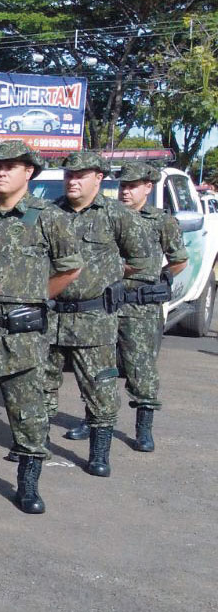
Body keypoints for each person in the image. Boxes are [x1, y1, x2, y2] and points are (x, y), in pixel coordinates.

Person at [0, 141, 81, 513]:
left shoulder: (47, 216)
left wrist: (36, 297)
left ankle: (28, 485)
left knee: (27, 412)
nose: (0, 172)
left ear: (28, 172)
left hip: (22, 332)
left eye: (10, 166)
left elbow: (70, 267)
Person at [46, 151, 152, 477]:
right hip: (51, 317)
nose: (73, 180)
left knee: (100, 388)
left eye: (80, 175)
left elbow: (141, 257)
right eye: (69, 175)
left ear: (98, 178)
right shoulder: (50, 213)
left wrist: (110, 274)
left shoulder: (115, 215)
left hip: (94, 319)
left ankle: (99, 453)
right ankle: (31, 446)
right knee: (40, 386)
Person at [103, 162, 188, 451]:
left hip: (140, 309)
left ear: (147, 188)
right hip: (105, 304)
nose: (125, 191)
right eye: (123, 186)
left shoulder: (160, 221)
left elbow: (179, 259)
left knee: (141, 368)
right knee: (100, 367)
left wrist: (156, 281)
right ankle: (95, 419)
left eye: (132, 186)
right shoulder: (106, 217)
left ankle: (143, 428)